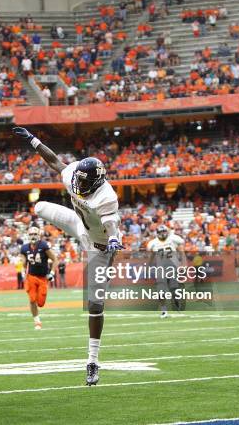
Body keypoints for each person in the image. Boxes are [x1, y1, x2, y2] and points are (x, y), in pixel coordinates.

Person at [13, 127, 123, 386]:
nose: (79, 185)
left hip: (100, 245)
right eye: (79, 181)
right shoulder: (75, 174)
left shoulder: (106, 197)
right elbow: (54, 161)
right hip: (79, 225)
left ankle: (92, 361)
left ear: (96, 183)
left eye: (85, 183)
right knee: (39, 207)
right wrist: (33, 140)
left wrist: (116, 239)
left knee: (95, 304)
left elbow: (112, 225)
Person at [20, 226, 58, 329]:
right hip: (31, 276)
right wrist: (23, 271)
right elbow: (23, 262)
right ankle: (37, 322)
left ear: (39, 235)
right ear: (28, 236)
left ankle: (37, 317)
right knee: (32, 300)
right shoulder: (24, 248)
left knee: (41, 303)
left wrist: (52, 273)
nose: (33, 236)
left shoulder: (43, 245)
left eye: (35, 234)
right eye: (31, 234)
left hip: (42, 277)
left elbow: (55, 259)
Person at [147, 225, 186, 317]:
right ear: (157, 234)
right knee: (161, 290)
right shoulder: (153, 243)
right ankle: (164, 310)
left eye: (164, 231)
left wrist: (183, 265)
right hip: (160, 269)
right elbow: (151, 256)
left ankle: (177, 302)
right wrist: (148, 267)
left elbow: (182, 253)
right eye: (160, 232)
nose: (163, 234)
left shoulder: (173, 239)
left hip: (172, 267)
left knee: (174, 289)